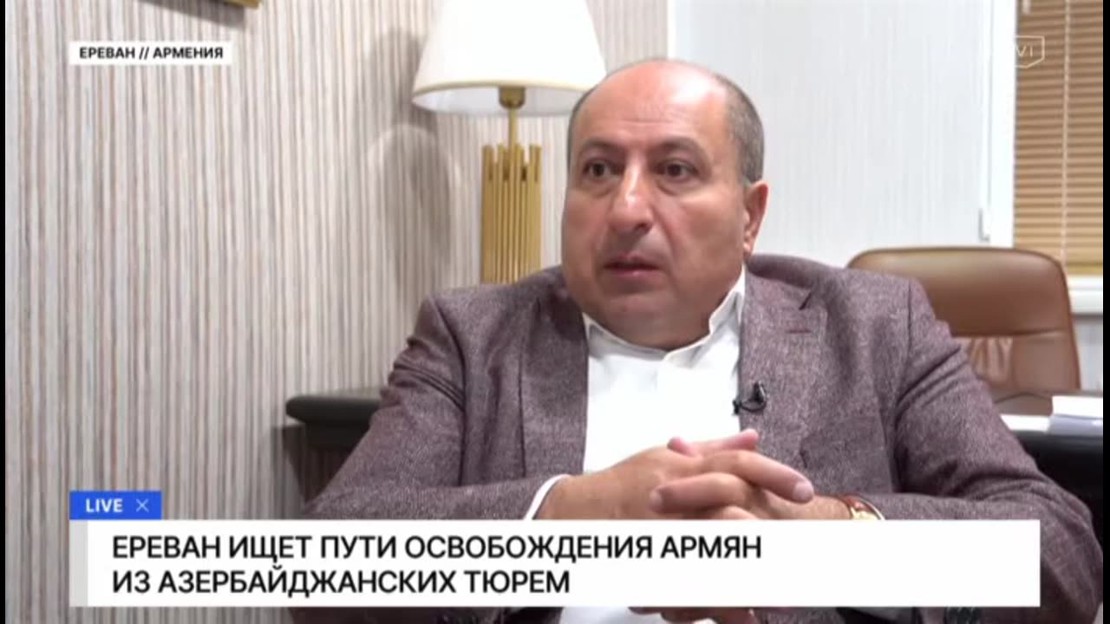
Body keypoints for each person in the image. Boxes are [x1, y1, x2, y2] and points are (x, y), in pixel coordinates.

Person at [299, 59, 1103, 624]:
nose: (626, 209)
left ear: (750, 216)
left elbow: (1062, 556)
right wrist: (567, 517)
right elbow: (323, 566)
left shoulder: (874, 325)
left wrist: (827, 543)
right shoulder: (473, 336)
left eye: (675, 170)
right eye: (598, 170)